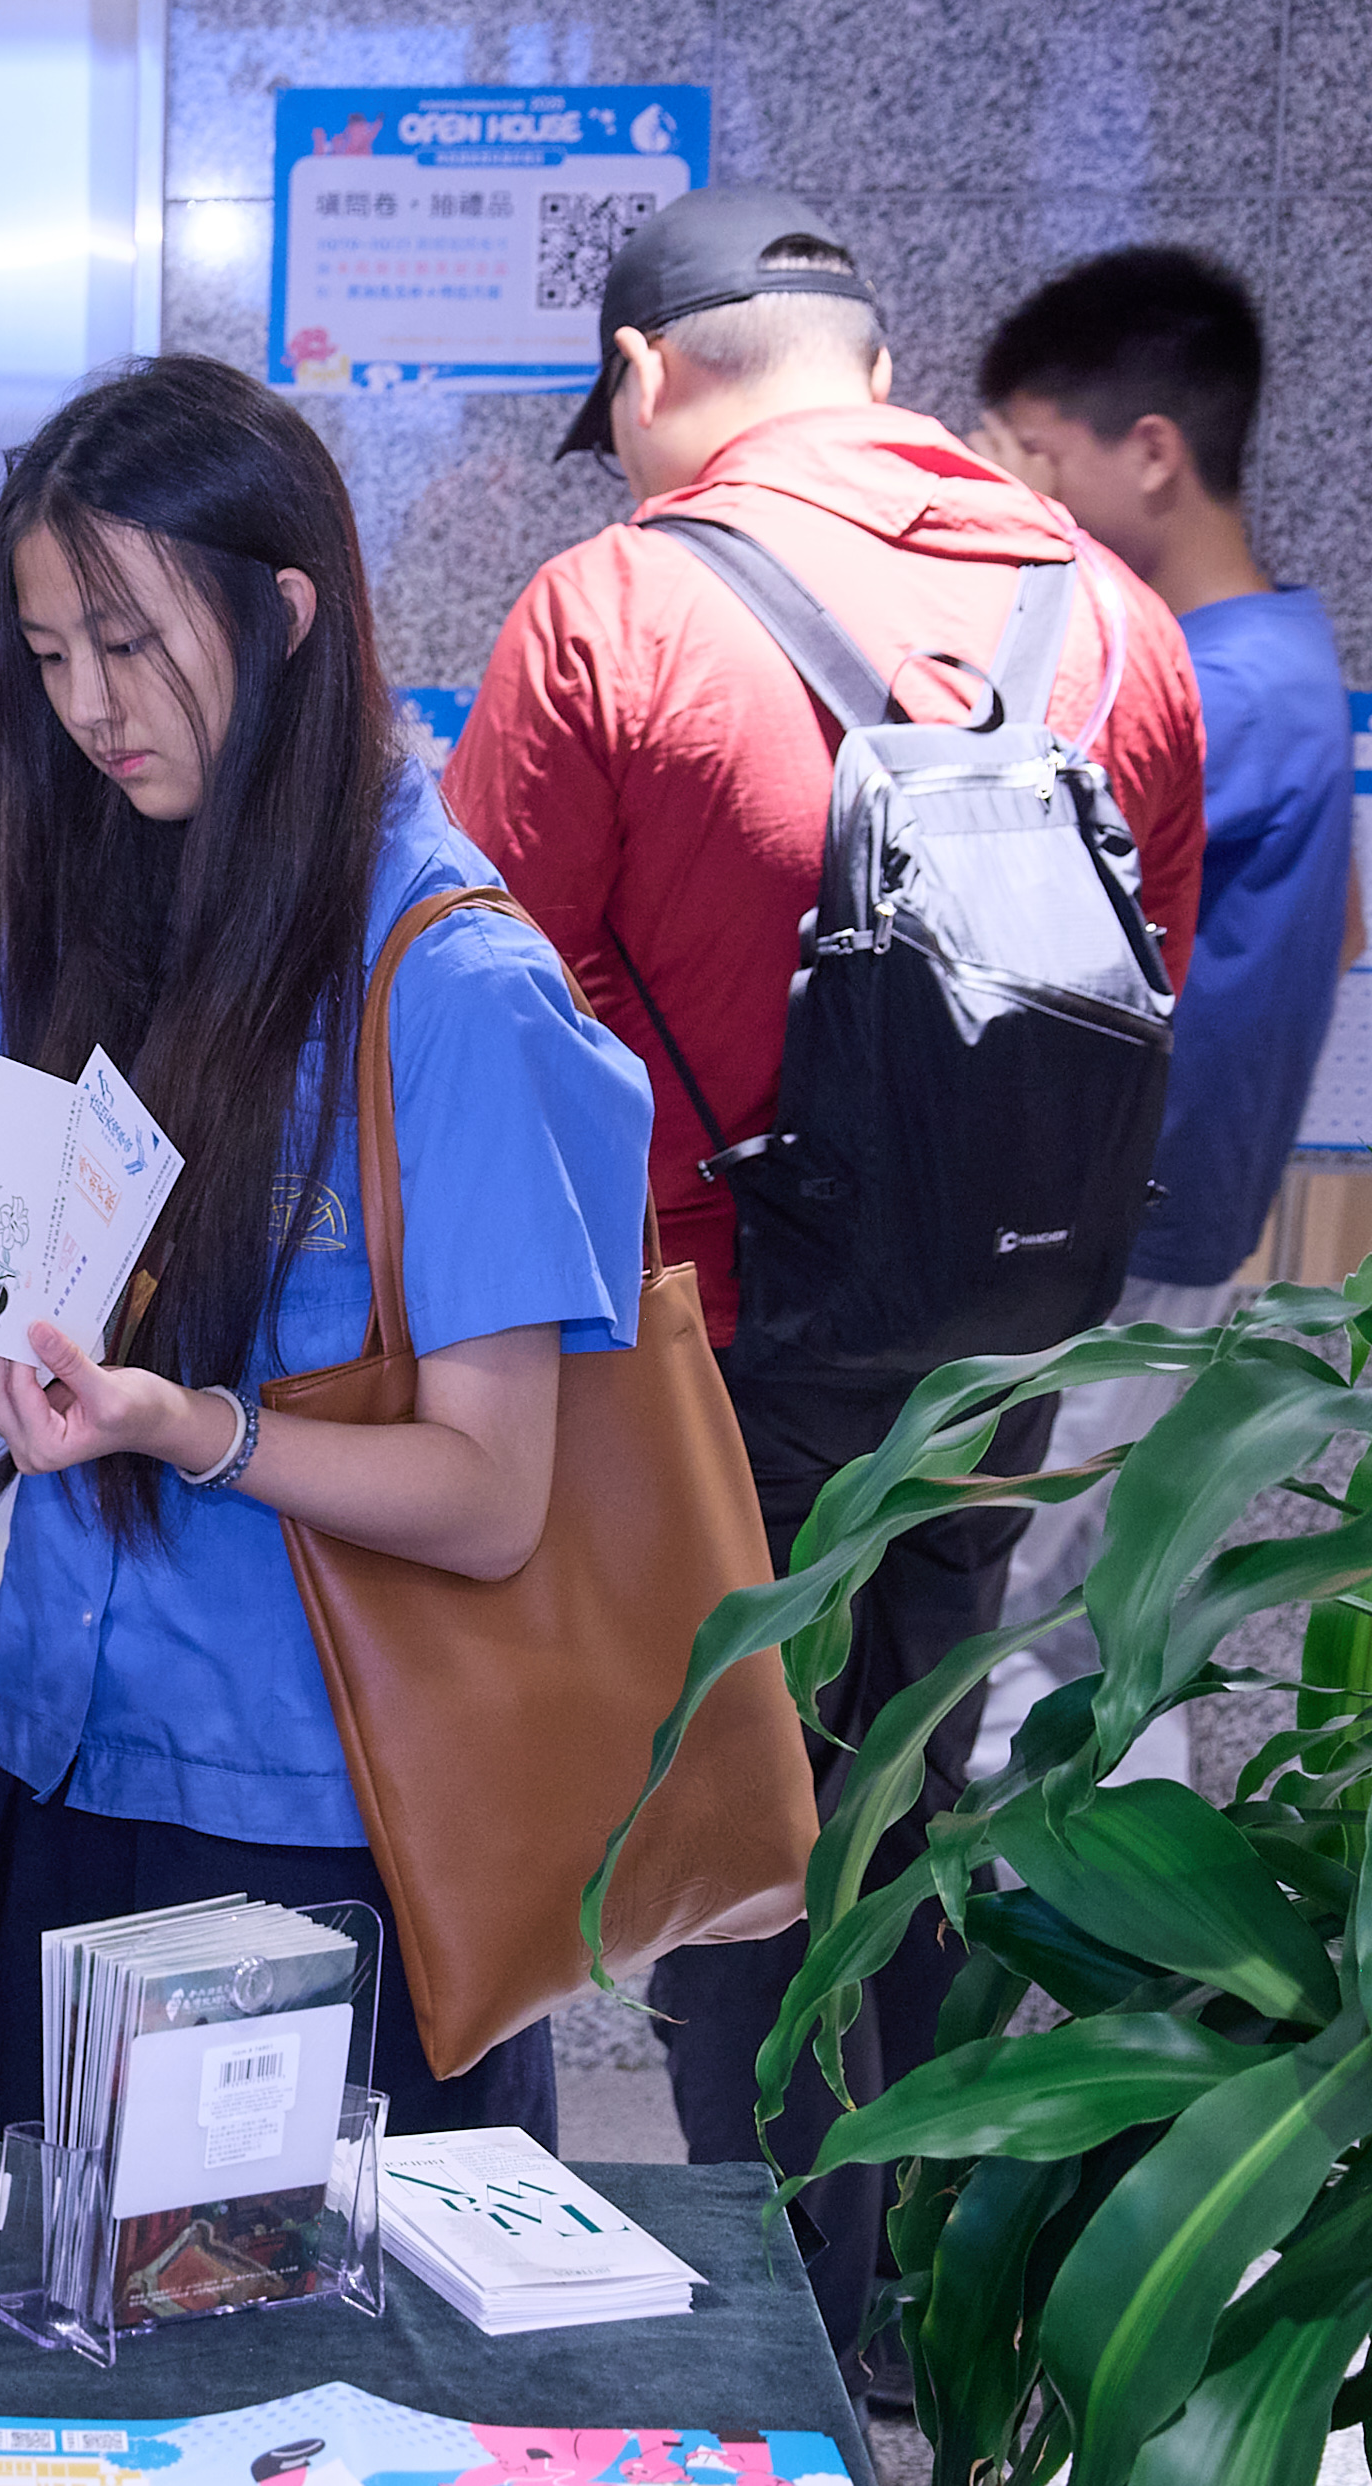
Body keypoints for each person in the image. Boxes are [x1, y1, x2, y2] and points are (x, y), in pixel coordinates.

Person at [439, 190, 1208, 2370]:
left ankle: (793, 2318)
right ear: (872, 367)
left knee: (731, 1834)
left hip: (713, 1339)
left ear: (643, 378)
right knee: (909, 1772)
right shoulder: (1116, 620)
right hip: (1002, 1331)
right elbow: (1140, 982)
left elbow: (487, 1012)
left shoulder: (608, 612)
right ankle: (920, 2305)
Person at [0, 356, 651, 2147]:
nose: (86, 706)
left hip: (323, 1824)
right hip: (57, 1761)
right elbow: (10, 1342)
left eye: (128, 644)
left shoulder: (450, 981)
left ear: (286, 609)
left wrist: (180, 1423)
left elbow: (490, 1492)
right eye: (49, 654)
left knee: (310, 2410)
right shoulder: (85, 919)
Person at [971, 246, 1355, 1786]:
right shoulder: (1290, 665)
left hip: (1126, 1243)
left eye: (1037, 464)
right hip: (1191, 1227)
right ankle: (1161, 1993)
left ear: (1151, 453)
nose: (1021, 504)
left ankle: (1008, 2004)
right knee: (1108, 1614)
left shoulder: (1206, 693)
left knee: (998, 1626)